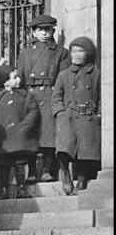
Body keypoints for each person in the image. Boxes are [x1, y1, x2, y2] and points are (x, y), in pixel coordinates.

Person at [18, 14, 69, 182]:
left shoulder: (61, 52)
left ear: (52, 30)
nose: (44, 33)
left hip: (49, 94)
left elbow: (63, 78)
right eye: (40, 30)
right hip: (30, 94)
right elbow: (20, 76)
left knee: (48, 134)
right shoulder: (26, 53)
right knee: (31, 133)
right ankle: (32, 171)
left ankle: (47, 170)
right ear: (33, 32)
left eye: (47, 29)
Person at [53, 37, 101, 194]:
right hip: (69, 116)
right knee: (64, 148)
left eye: (81, 51)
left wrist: (98, 114)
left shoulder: (96, 74)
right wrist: (60, 112)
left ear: (88, 53)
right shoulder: (64, 74)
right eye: (74, 51)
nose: (77, 55)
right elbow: (56, 96)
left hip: (88, 115)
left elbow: (103, 95)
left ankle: (82, 178)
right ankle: (64, 170)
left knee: (85, 151)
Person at [0, 66, 40, 200]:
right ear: (5, 82)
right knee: (4, 165)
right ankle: (3, 189)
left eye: (18, 76)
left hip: (20, 136)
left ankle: (21, 188)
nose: (18, 79)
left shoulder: (25, 95)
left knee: (20, 163)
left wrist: (25, 126)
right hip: (4, 139)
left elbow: (33, 111)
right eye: (14, 77)